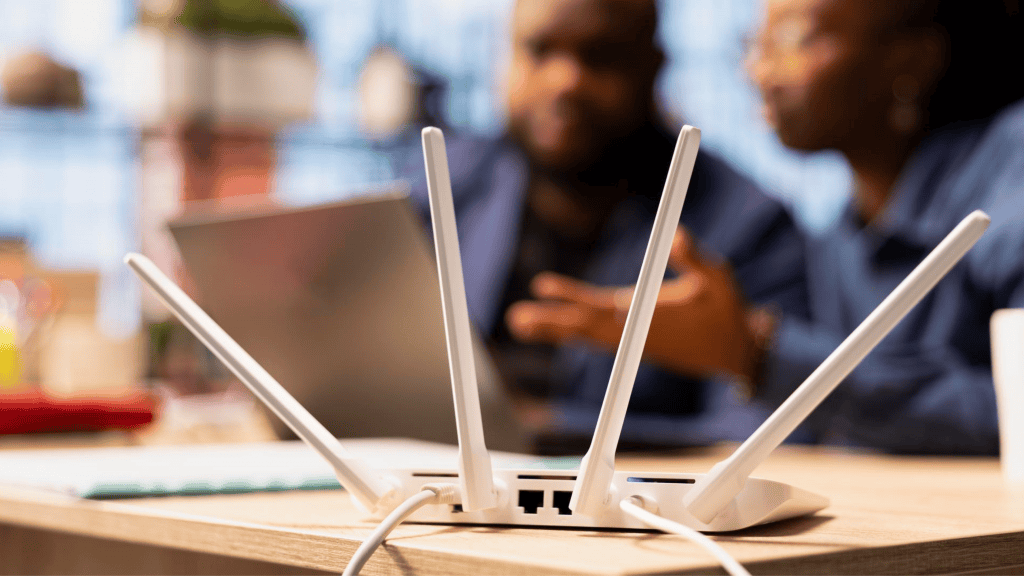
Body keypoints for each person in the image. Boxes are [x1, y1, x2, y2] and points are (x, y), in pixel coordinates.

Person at [510, 0, 1024, 454]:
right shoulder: (842, 230)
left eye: (794, 39)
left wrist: (755, 352)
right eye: (755, 43)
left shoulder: (1010, 172)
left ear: (912, 59)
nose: (760, 70)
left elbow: (1013, 416)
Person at [404, 0, 806, 448]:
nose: (565, 81)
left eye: (600, 56)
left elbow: (762, 432)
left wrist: (545, 428)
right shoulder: (444, 190)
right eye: (538, 50)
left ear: (654, 66)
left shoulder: (748, 225)